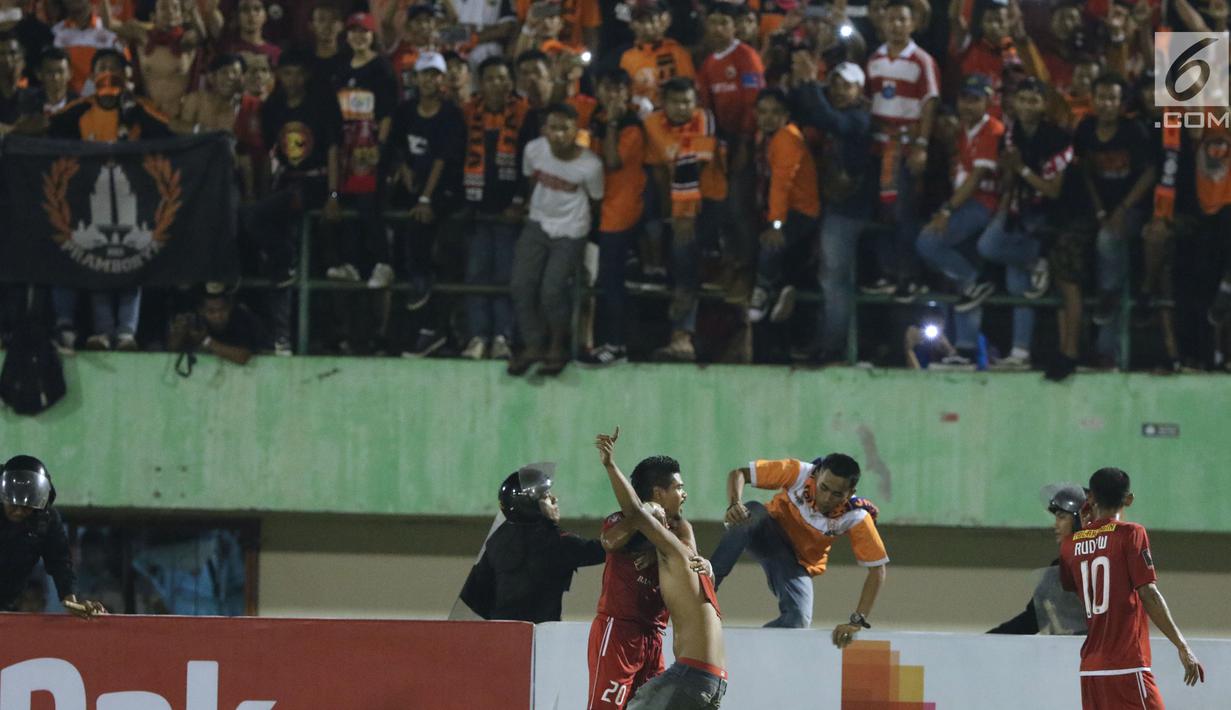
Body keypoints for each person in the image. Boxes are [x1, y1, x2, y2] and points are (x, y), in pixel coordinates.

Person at [595, 428, 726, 710]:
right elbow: (612, 538)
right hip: (623, 631)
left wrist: (654, 539)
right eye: (678, 488)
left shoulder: (677, 544)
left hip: (658, 641)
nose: (685, 494)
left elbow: (648, 521)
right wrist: (610, 465)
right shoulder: (674, 548)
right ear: (658, 493)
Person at [1058, 467, 1206, 709]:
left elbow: (1069, 585)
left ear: (1091, 498)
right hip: (1126, 666)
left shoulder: (1069, 544)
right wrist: (1183, 646)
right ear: (1128, 499)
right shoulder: (1131, 534)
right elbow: (1148, 593)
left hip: (1090, 671)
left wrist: (1083, 531)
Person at [710, 453, 888, 639]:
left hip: (796, 563)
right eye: (823, 488)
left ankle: (753, 644)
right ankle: (706, 585)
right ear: (816, 475)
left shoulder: (856, 516)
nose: (826, 498)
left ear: (850, 493)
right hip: (766, 533)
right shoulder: (798, 473)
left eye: (837, 494)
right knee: (752, 511)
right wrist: (734, 503)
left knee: (798, 620)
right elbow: (739, 474)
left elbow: (877, 570)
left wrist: (857, 621)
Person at [507, 102, 604, 377]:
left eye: (565, 128)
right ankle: (533, 345)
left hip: (571, 230)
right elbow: (530, 180)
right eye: (553, 128)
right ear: (544, 130)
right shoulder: (533, 150)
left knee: (553, 290)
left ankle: (557, 346)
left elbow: (596, 200)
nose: (558, 135)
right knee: (521, 285)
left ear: (576, 131)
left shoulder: (590, 165)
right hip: (537, 222)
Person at [458, 462, 605, 622]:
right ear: (529, 504)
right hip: (541, 634)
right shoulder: (556, 541)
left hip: (502, 631)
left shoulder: (498, 539)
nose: (554, 499)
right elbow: (604, 549)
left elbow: (472, 595)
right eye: (546, 496)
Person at [0, 455, 106, 618]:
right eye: (13, 504)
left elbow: (60, 562)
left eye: (27, 506)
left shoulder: (45, 520)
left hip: (6, 602)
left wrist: (72, 602)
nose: (19, 511)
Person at [988, 483, 1088, 635]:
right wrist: (986, 640)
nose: (1056, 525)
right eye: (1056, 518)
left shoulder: (1103, 563)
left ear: (1081, 521)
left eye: (1062, 517)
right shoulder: (1058, 569)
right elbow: (1032, 619)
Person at [167, 288, 267, 365]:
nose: (218, 316)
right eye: (211, 311)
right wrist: (180, 332)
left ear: (230, 307)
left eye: (222, 310)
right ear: (201, 311)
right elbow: (170, 350)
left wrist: (206, 341)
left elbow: (242, 357)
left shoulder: (240, 319)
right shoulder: (195, 320)